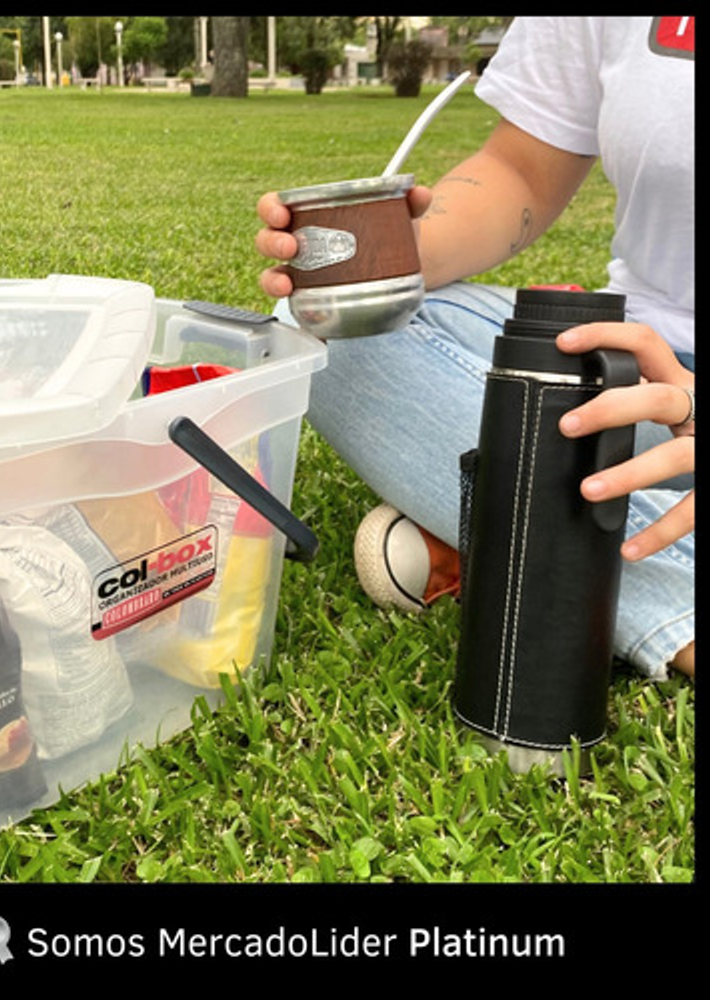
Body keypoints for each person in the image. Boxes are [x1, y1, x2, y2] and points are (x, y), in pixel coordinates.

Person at [255, 17, 694, 678]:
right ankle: (524, 531)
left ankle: (501, 533)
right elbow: (522, 169)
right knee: (328, 332)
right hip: (637, 368)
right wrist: (394, 256)